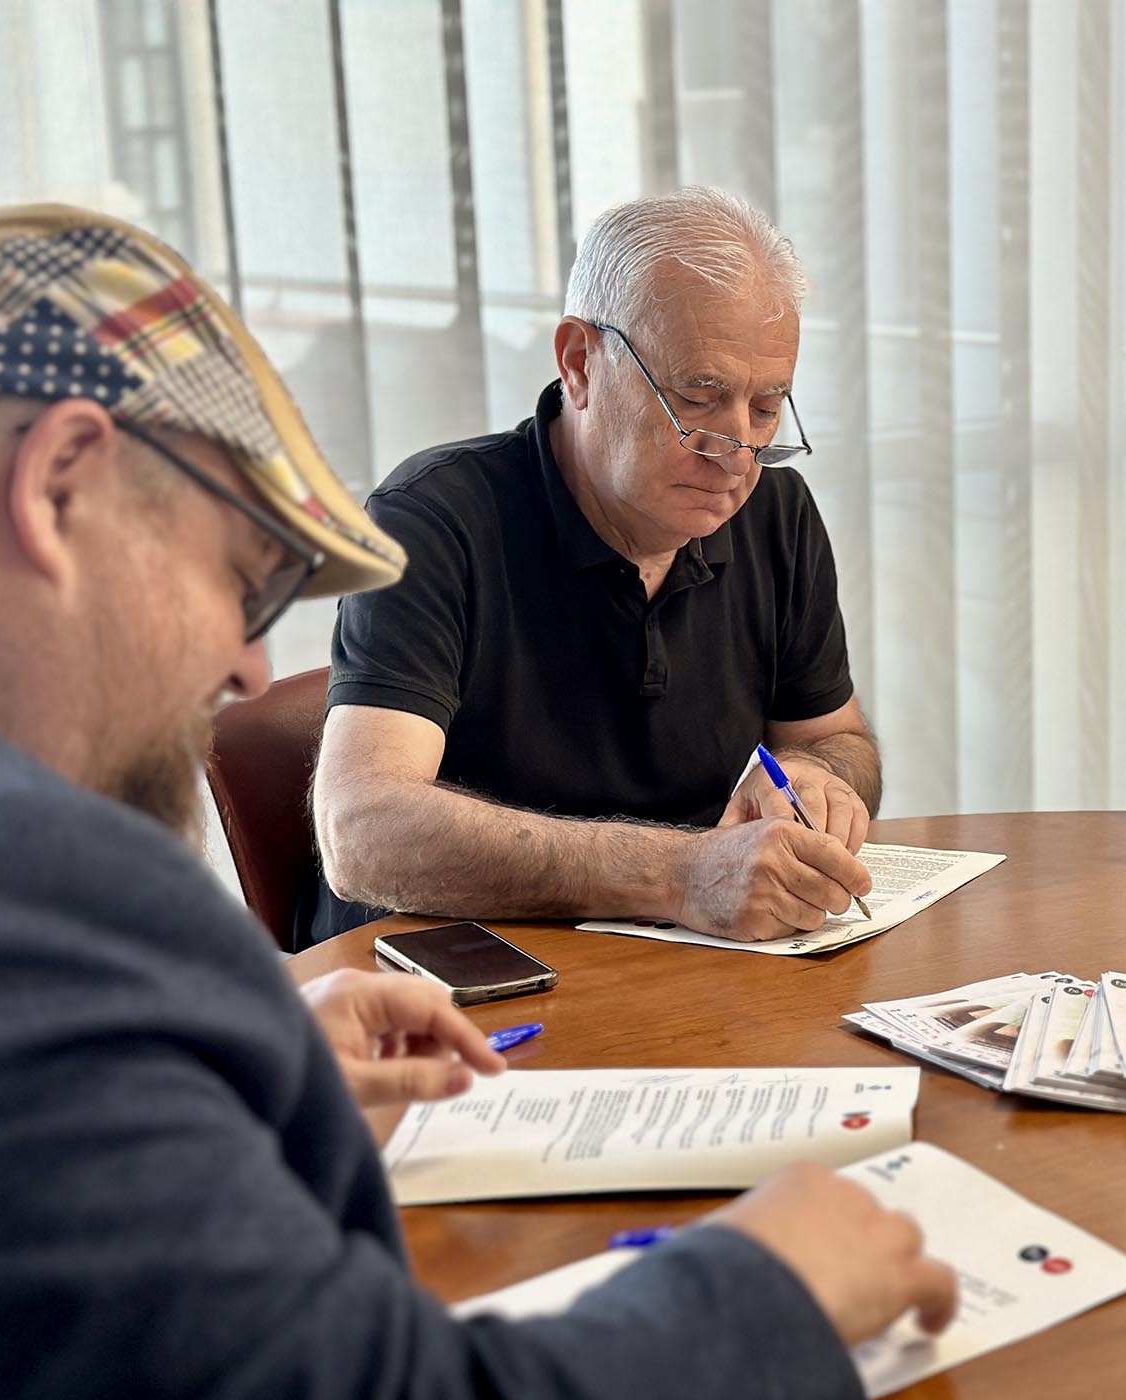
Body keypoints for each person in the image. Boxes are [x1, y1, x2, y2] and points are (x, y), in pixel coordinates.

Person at [0, 202, 954, 1400]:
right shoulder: (34, 891)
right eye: (237, 577)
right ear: (56, 487)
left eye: (766, 409)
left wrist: (263, 1075)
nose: (254, 674)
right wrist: (768, 1296)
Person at [302, 187, 877, 947]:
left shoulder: (777, 512)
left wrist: (820, 779)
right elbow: (361, 831)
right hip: (449, 993)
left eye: (767, 408)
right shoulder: (432, 520)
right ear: (579, 361)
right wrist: (680, 876)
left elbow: (840, 739)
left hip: (684, 975)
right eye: (697, 399)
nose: (736, 450)